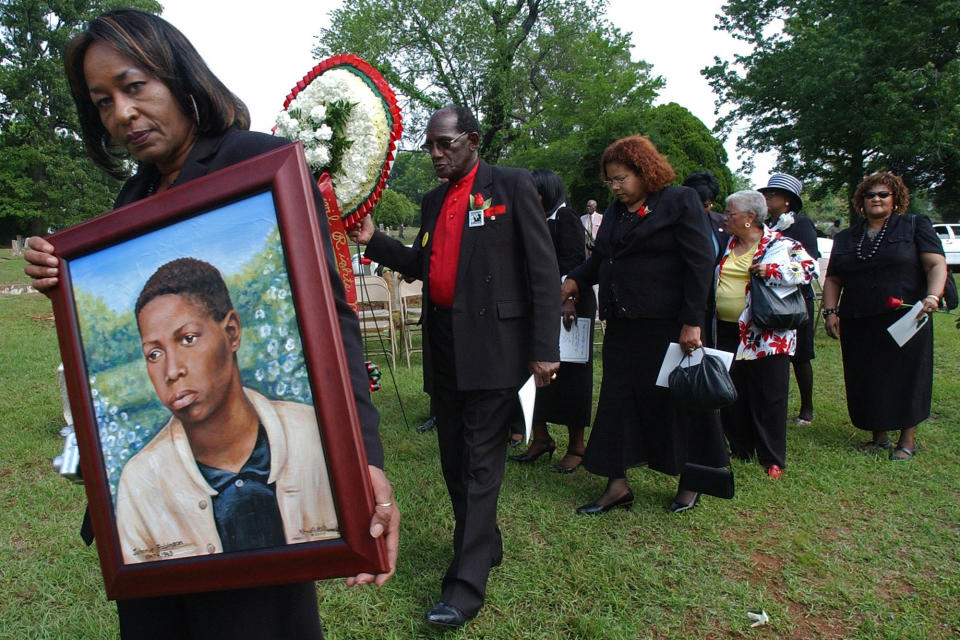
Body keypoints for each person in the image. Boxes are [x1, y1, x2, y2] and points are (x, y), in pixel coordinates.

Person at [23, 10, 397, 638]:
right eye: (103, 101)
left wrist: (363, 457)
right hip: (154, 552)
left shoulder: (262, 167)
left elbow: (333, 320)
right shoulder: (130, 205)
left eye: (135, 85)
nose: (122, 114)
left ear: (178, 75)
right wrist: (61, 278)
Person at [348, 105, 560, 628]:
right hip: (444, 348)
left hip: (496, 348)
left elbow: (542, 269)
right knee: (452, 462)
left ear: (472, 139)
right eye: (431, 146)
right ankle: (484, 541)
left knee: (478, 464)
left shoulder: (508, 187)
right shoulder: (432, 201)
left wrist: (544, 346)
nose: (437, 154)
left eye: (445, 144)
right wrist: (373, 240)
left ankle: (464, 587)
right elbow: (425, 265)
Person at [117, 258, 339, 564]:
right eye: (154, 354)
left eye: (188, 339)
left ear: (232, 332)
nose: (171, 371)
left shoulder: (311, 432)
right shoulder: (141, 481)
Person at [561, 135, 728, 515]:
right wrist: (573, 280)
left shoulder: (679, 201)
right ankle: (617, 484)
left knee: (679, 400)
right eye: (610, 181)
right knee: (618, 401)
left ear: (644, 171)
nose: (615, 187)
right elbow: (601, 258)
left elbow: (700, 264)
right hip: (623, 325)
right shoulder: (616, 211)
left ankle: (691, 479)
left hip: (668, 326)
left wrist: (692, 323)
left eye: (621, 179)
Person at [822, 172, 947, 460]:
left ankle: (907, 440)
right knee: (867, 376)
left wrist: (932, 296)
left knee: (907, 376)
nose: (876, 199)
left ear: (896, 199)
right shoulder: (846, 237)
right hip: (859, 318)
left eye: (883, 194)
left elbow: (935, 265)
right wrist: (830, 311)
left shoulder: (914, 225)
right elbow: (833, 279)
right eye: (870, 195)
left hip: (905, 317)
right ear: (861, 202)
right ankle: (878, 437)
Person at [715, 190, 818, 478]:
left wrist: (771, 269)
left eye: (730, 213)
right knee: (733, 390)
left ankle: (771, 456)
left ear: (749, 218)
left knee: (769, 393)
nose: (725, 218)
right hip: (726, 329)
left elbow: (809, 270)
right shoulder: (726, 244)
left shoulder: (781, 243)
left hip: (767, 331)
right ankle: (740, 446)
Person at [509, 169, 596, 473]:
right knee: (532, 369)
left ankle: (577, 446)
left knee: (571, 376)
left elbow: (575, 264)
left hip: (568, 306)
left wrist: (568, 300)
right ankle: (542, 438)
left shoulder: (566, 218)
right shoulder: (532, 220)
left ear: (544, 193)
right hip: (539, 306)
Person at [758, 173, 820, 425]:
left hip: (794, 298)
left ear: (787, 201)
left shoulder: (800, 225)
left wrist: (775, 271)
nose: (767, 198)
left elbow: (809, 264)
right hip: (767, 297)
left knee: (801, 355)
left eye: (772, 195)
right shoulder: (764, 226)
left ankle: (807, 407)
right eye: (766, 194)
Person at [682, 170, 728, 347]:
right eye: (696, 204)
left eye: (707, 205)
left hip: (715, 301)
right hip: (686, 303)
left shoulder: (721, 224)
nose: (701, 210)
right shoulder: (672, 223)